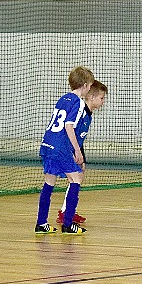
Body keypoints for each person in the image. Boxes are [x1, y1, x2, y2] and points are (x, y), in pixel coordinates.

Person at [35, 66, 94, 234]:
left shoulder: (63, 98)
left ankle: (41, 223)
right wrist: (77, 150)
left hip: (47, 144)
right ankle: (68, 224)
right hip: (61, 147)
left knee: (49, 182)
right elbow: (69, 126)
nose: (90, 88)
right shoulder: (78, 102)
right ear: (84, 85)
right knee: (76, 179)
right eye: (89, 85)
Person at [56, 80, 108, 224]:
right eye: (101, 98)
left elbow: (80, 138)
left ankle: (67, 211)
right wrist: (72, 153)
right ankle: (66, 214)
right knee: (75, 178)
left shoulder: (88, 113)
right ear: (91, 97)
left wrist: (82, 157)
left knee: (78, 177)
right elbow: (69, 131)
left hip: (73, 150)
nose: (103, 102)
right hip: (64, 149)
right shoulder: (80, 111)